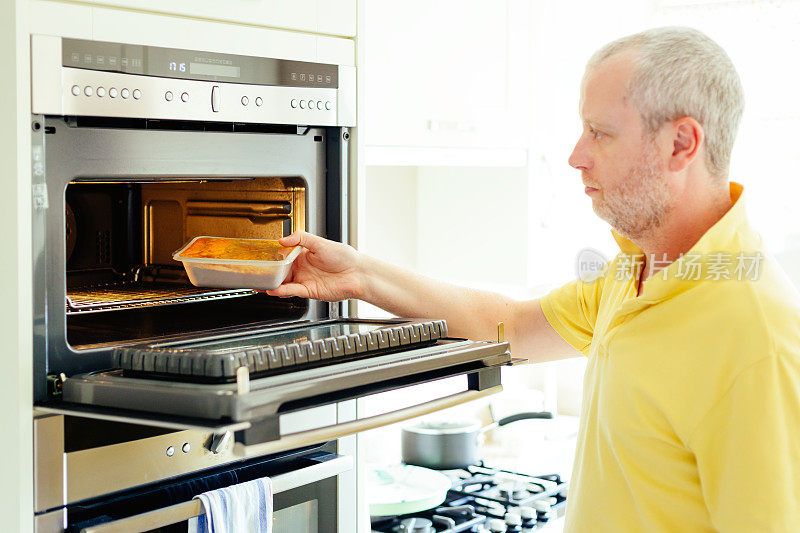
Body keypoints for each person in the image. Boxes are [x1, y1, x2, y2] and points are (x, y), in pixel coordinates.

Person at [268, 27, 800, 532]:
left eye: (601, 133)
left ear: (682, 143)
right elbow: (512, 326)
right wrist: (358, 274)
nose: (576, 156)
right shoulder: (639, 272)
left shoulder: (757, 340)